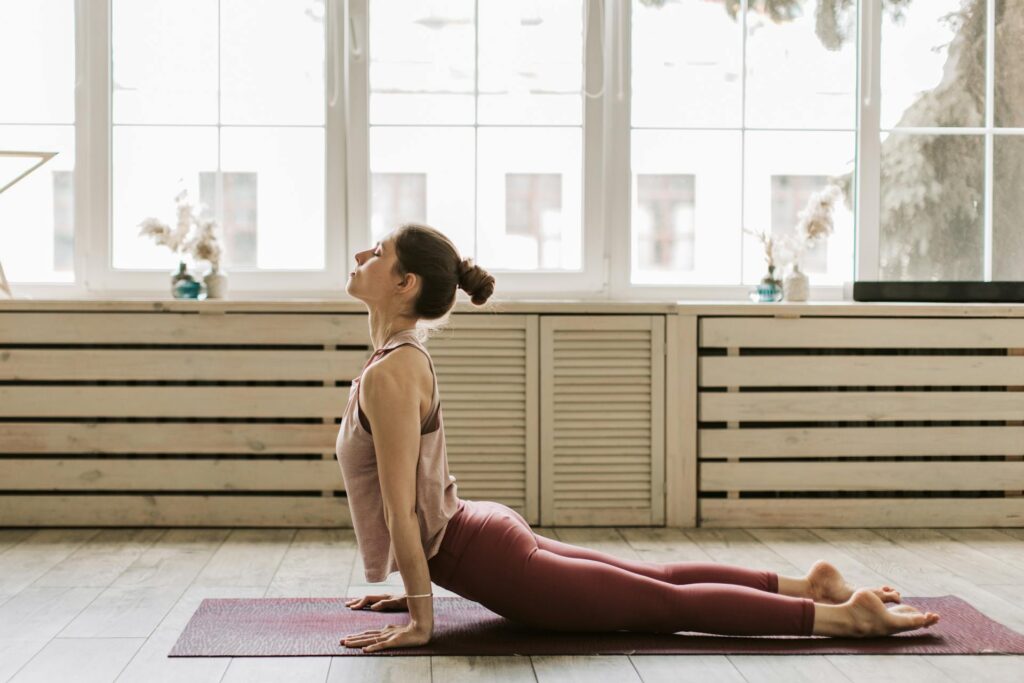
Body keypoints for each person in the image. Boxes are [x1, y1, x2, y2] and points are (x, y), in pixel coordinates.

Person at [335, 223, 940, 653]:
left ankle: (844, 619)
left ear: (405, 283)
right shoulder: (393, 360)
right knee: (657, 581)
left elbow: (402, 509)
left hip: (487, 554)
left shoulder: (392, 372)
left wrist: (421, 612)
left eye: (378, 252)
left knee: (663, 605)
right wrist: (419, 592)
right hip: (481, 536)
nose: (361, 254)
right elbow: (411, 504)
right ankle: (811, 587)